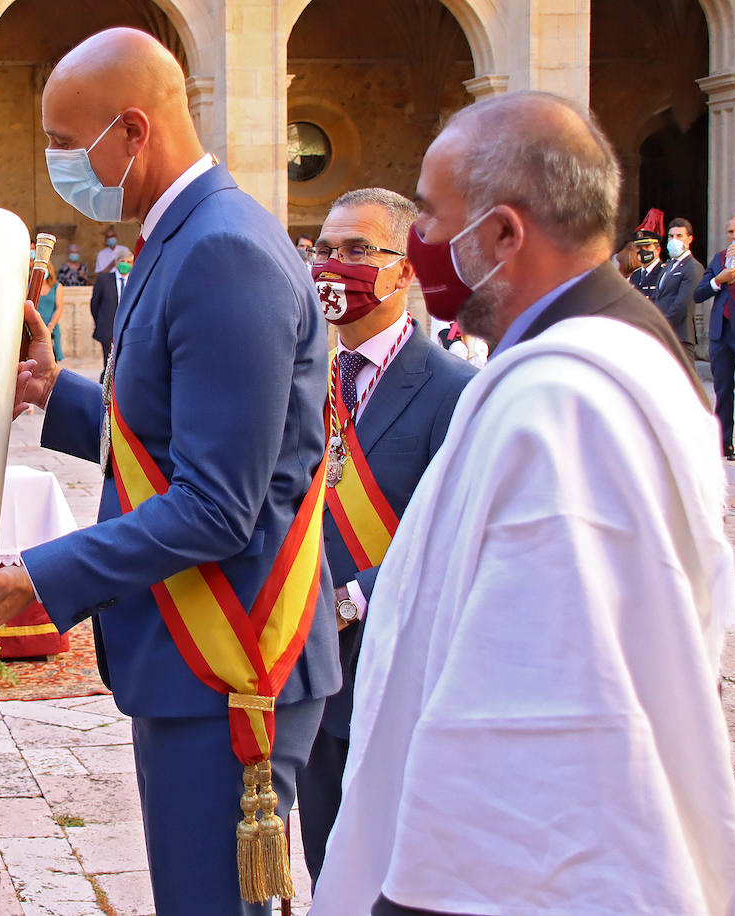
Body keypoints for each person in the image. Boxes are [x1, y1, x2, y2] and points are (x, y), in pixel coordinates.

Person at [313, 90, 735, 915]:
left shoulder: (562, 403)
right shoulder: (607, 354)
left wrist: (419, 896)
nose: (422, 247)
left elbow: (541, 711)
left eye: (435, 220)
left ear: (504, 234)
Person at [0, 29, 338, 915]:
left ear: (132, 131)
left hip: (228, 649)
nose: (59, 163)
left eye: (67, 143)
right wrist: (52, 390)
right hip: (187, 649)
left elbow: (218, 504)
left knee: (212, 902)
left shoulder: (222, 250)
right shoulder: (178, 233)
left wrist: (40, 577)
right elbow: (173, 429)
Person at [294, 188, 475, 889]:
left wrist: (355, 597)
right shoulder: (298, 379)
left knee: (394, 876)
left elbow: (454, 533)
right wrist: (53, 394)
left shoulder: (453, 391)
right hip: (307, 672)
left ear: (405, 270)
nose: (336, 266)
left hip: (392, 671)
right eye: (326, 250)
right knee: (326, 868)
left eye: (359, 250)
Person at [695, 214, 735, 460]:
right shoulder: (719, 259)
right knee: (722, 389)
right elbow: (699, 294)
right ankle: (723, 442)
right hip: (721, 332)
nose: (734, 236)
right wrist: (717, 282)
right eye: (730, 232)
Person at [655, 217, 702, 363]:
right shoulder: (667, 266)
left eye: (679, 236)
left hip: (680, 335)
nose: (674, 240)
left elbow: (682, 304)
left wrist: (661, 325)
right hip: (663, 334)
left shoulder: (693, 267)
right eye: (671, 236)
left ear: (689, 239)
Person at [89, 247, 131, 370]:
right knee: (109, 364)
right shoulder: (104, 280)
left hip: (129, 328)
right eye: (123, 261)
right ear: (116, 262)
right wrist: (101, 321)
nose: (125, 264)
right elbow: (95, 304)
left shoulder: (136, 279)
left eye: (129, 262)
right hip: (108, 328)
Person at [628, 207, 666, 301]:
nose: (643, 251)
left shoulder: (664, 273)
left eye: (647, 247)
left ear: (657, 249)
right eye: (639, 248)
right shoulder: (635, 275)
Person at [35, 247, 64, 360]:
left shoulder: (57, 286)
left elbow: (59, 307)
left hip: (52, 328)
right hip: (35, 328)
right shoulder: (30, 287)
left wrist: (51, 326)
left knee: (52, 359)